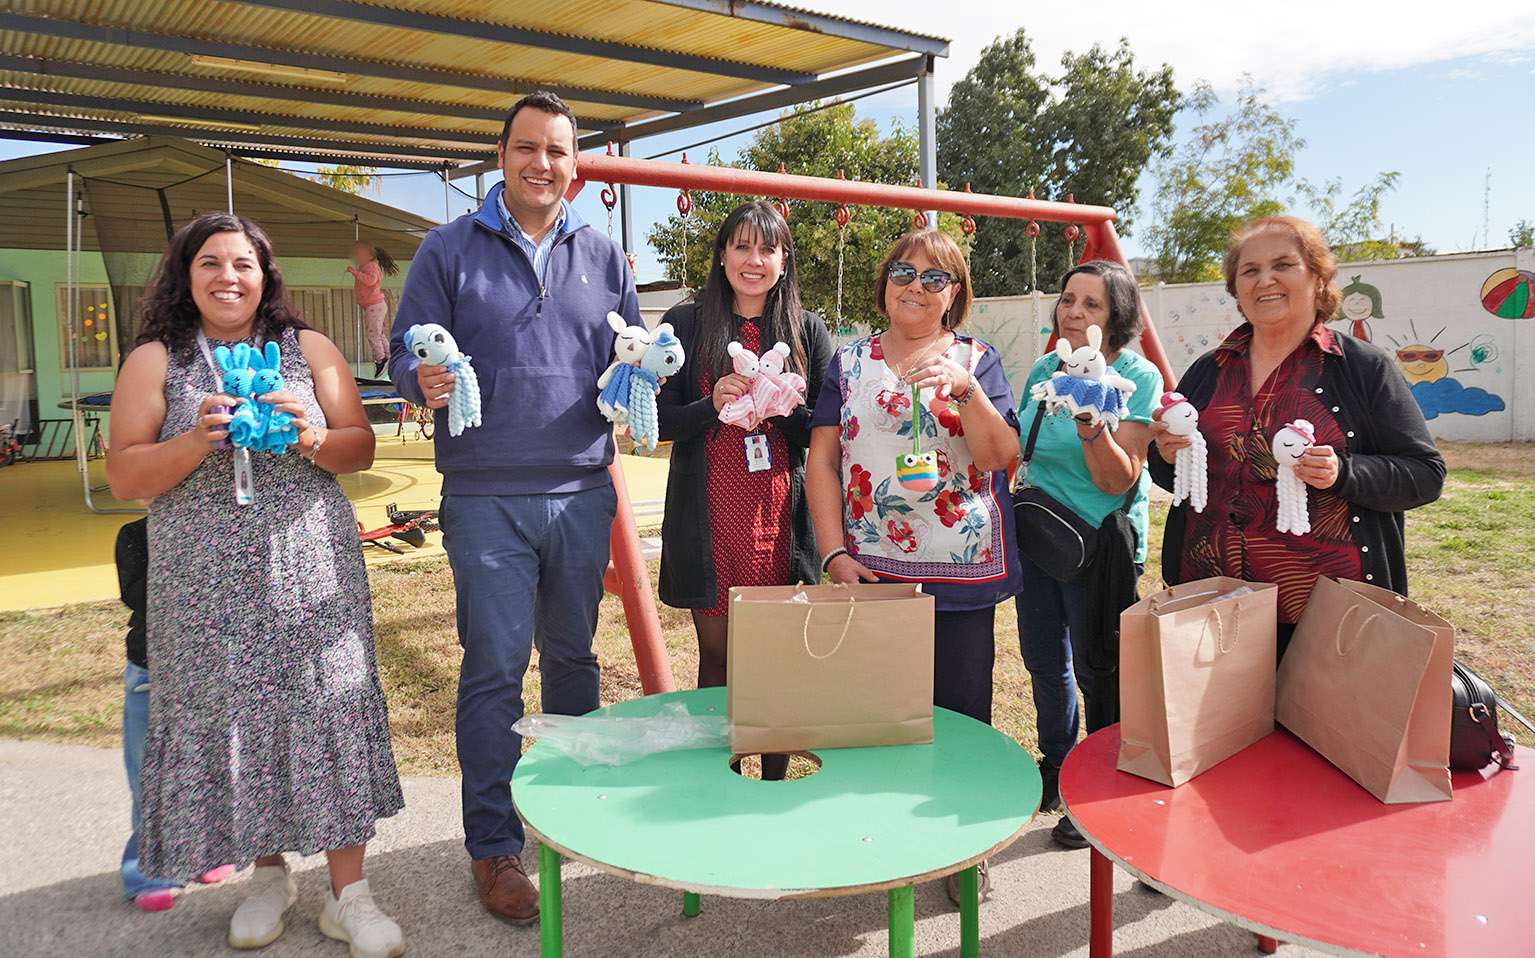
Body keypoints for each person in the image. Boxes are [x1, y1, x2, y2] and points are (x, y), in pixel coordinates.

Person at [105, 212, 405, 957]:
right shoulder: (156, 360)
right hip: (202, 582)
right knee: (239, 717)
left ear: (265, 276)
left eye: (243, 263)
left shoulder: (309, 349)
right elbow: (124, 476)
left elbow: (359, 448)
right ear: (185, 276)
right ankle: (268, 878)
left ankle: (350, 894)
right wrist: (195, 439)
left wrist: (310, 435)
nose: (227, 277)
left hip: (309, 564)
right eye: (210, 263)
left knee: (327, 708)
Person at [388, 90, 642, 926]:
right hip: (484, 496)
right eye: (526, 147)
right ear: (499, 157)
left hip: (580, 491)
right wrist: (418, 378)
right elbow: (400, 351)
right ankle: (494, 847)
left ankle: (569, 817)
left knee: (572, 660)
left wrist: (645, 379)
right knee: (494, 669)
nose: (542, 163)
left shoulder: (603, 255)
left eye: (557, 150)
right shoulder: (447, 248)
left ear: (575, 166)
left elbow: (633, 353)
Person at [805, 228, 1020, 904]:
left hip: (959, 569)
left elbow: (999, 457)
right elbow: (822, 461)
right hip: (872, 571)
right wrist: (833, 551)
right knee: (877, 716)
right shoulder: (849, 362)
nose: (916, 287)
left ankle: (960, 845)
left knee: (963, 714)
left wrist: (967, 392)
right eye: (904, 272)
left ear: (954, 293)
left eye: (934, 277)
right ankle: (887, 836)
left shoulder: (977, 360)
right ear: (884, 283)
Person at [1149, 216, 1444, 654]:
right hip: (1211, 601)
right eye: (1250, 270)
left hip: (1328, 616)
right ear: (1236, 288)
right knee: (1218, 704)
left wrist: (1342, 472)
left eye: (1283, 265)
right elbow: (1170, 477)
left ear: (1318, 278)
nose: (1264, 279)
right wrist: (1166, 454)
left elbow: (1425, 474)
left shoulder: (1362, 368)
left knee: (1317, 704)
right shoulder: (1210, 370)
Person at [656, 201, 834, 781]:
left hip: (779, 522)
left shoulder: (807, 329)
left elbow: (824, 434)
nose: (753, 260)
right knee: (717, 659)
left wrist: (780, 406)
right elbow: (660, 422)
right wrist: (712, 403)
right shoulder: (686, 324)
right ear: (722, 255)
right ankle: (721, 785)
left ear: (784, 261)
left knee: (778, 664)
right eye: (741, 246)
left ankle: (773, 785)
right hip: (709, 520)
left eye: (767, 249)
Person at [1014, 261, 1163, 849]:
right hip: (1040, 535)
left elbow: (1116, 479)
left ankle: (1097, 787)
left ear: (1116, 316)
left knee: (1100, 669)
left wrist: (1090, 424)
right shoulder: (1045, 368)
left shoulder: (1136, 377)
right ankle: (1056, 763)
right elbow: (1019, 447)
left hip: (1100, 544)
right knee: (1043, 659)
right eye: (1068, 299)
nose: (1073, 313)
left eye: (1091, 304)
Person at [114, 517, 235, 913]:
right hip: (152, 671)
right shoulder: (136, 535)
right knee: (152, 774)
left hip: (210, 670)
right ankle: (149, 869)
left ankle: (205, 852)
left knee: (212, 765)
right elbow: (143, 597)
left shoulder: (220, 526)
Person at [347, 241, 399, 378]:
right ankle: (388, 355)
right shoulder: (365, 266)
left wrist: (355, 273)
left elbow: (371, 281)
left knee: (373, 334)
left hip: (374, 305)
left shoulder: (371, 266)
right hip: (374, 306)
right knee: (378, 333)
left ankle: (381, 359)